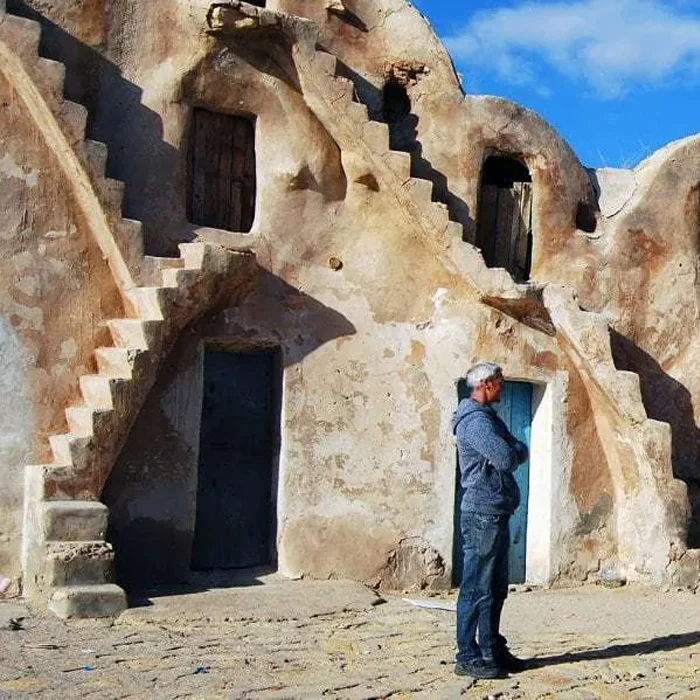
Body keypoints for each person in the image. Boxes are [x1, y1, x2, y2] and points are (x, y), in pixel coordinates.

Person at [452, 361, 529, 679]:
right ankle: (467, 655)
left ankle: (491, 648)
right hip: (482, 513)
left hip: (495, 511)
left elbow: (518, 448)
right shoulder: (475, 422)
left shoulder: (488, 418)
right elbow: (508, 457)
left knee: (496, 587)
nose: (502, 387)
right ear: (487, 384)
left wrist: (515, 449)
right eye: (499, 382)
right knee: (476, 587)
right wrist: (514, 449)